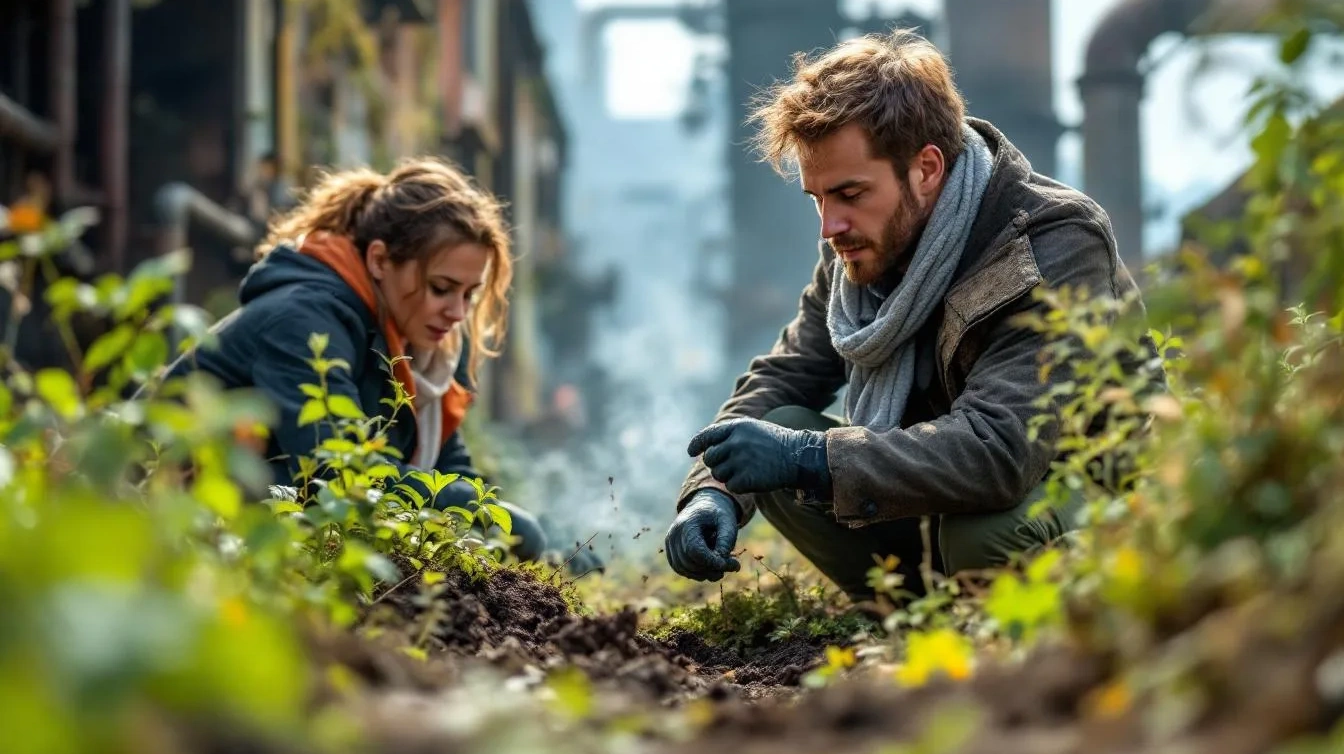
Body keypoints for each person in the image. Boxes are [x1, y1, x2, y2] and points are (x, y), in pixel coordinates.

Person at [663, 30, 1161, 600]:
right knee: (776, 424)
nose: (830, 226)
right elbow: (783, 375)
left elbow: (999, 452)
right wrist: (712, 490)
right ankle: (915, 623)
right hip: (949, 501)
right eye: (818, 199)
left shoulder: (1053, 243)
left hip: (1091, 499)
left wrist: (808, 458)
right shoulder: (864, 246)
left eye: (850, 193)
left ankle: (1029, 656)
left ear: (926, 169)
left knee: (984, 534)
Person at [162, 157, 547, 561]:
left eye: (468, 294)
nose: (457, 313)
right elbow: (335, 475)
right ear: (380, 261)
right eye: (441, 288)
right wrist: (497, 522)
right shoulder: (305, 319)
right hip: (155, 517)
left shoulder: (412, 346)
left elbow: (456, 476)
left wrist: (534, 538)